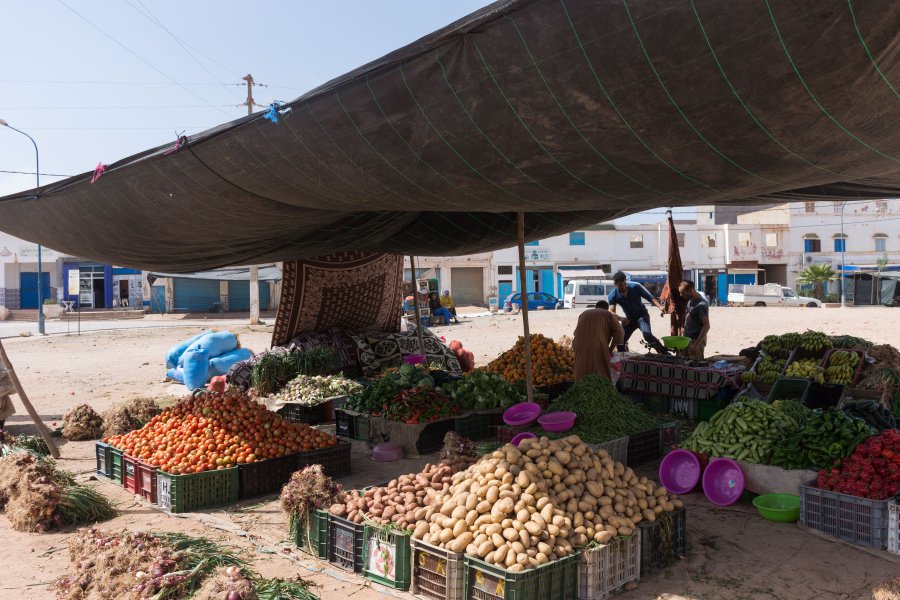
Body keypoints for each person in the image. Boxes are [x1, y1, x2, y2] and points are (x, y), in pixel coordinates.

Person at [607, 271, 668, 355]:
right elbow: (611, 312)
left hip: (642, 316)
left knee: (647, 335)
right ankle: (623, 358)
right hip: (629, 320)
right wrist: (621, 318)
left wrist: (660, 307)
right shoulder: (612, 295)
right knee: (620, 340)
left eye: (625, 284)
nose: (624, 287)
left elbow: (650, 298)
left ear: (626, 281)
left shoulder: (635, 287)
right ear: (615, 284)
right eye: (620, 285)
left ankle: (664, 352)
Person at [573, 301, 625, 380]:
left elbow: (576, 332)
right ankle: (600, 388)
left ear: (596, 307)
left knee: (581, 367)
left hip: (578, 343)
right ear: (606, 308)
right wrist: (611, 348)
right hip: (597, 343)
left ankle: (581, 387)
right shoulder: (608, 314)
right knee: (600, 369)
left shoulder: (584, 313)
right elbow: (620, 331)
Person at [680, 280, 710, 359]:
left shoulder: (701, 305)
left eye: (682, 293)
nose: (681, 295)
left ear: (691, 291)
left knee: (695, 366)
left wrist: (696, 344)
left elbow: (706, 326)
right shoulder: (690, 301)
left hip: (695, 340)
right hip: (687, 338)